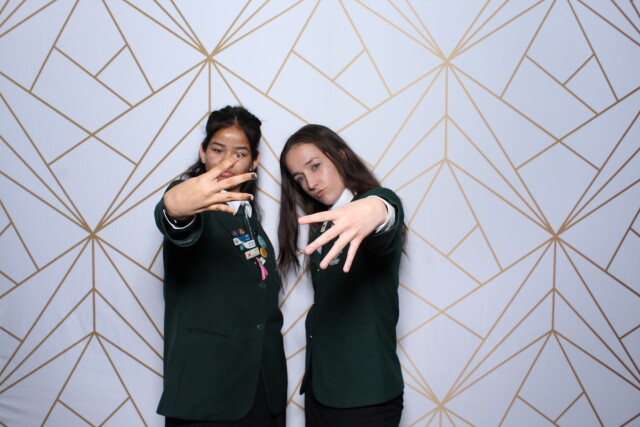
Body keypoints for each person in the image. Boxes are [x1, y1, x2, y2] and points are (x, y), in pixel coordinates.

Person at [154, 106, 287, 426]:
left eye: (239, 153)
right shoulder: (192, 208)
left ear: (254, 161)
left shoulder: (250, 220)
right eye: (218, 150)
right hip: (205, 391)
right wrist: (174, 207)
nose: (227, 161)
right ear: (203, 152)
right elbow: (176, 220)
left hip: (262, 391)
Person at [278, 124, 405, 426]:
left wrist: (376, 207)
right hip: (322, 392)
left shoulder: (366, 209)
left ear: (341, 155)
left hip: (366, 395)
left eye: (315, 166)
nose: (310, 183)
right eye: (299, 178)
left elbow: (385, 212)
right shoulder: (322, 225)